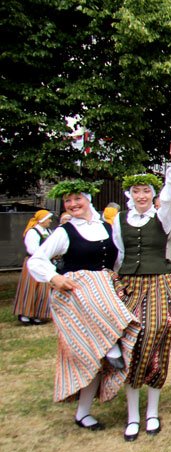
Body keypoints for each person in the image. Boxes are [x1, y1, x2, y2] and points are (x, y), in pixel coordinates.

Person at [28, 180, 141, 431]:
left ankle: (83, 412)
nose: (72, 204)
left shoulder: (106, 227)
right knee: (93, 352)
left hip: (104, 291)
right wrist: (54, 277)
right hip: (77, 295)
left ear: (88, 199)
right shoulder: (64, 232)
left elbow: (119, 258)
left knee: (95, 359)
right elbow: (36, 259)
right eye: (67, 201)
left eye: (77, 199)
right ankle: (112, 345)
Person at [112, 140, 171, 441]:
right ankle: (132, 416)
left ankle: (152, 412)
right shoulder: (119, 220)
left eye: (146, 192)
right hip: (130, 284)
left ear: (152, 195)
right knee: (132, 343)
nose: (141, 196)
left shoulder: (162, 217)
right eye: (136, 192)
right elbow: (119, 254)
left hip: (158, 284)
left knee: (156, 338)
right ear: (130, 195)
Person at [13, 210, 54, 325]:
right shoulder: (33, 232)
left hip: (45, 262)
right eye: (48, 218)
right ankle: (25, 315)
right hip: (33, 262)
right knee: (30, 288)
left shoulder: (49, 231)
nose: (50, 221)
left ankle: (37, 314)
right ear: (42, 220)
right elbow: (32, 249)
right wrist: (45, 255)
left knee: (42, 289)